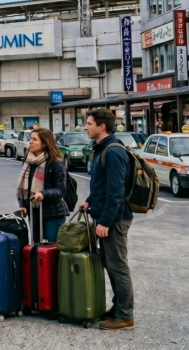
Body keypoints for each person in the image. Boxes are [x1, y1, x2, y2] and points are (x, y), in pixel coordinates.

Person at [80, 109, 135, 331]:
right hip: (106, 215)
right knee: (112, 266)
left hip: (114, 219)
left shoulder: (113, 151)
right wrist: (89, 201)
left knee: (118, 267)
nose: (85, 127)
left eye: (89, 123)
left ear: (102, 126)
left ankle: (125, 316)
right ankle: (117, 309)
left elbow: (116, 191)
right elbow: (102, 185)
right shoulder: (103, 148)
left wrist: (105, 222)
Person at [16, 129, 69, 243]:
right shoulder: (29, 161)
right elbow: (23, 189)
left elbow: (61, 189)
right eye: (30, 138)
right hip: (34, 212)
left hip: (52, 214)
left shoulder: (56, 163)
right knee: (36, 249)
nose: (30, 141)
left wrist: (43, 194)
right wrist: (22, 204)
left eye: (34, 139)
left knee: (52, 251)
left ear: (45, 143)